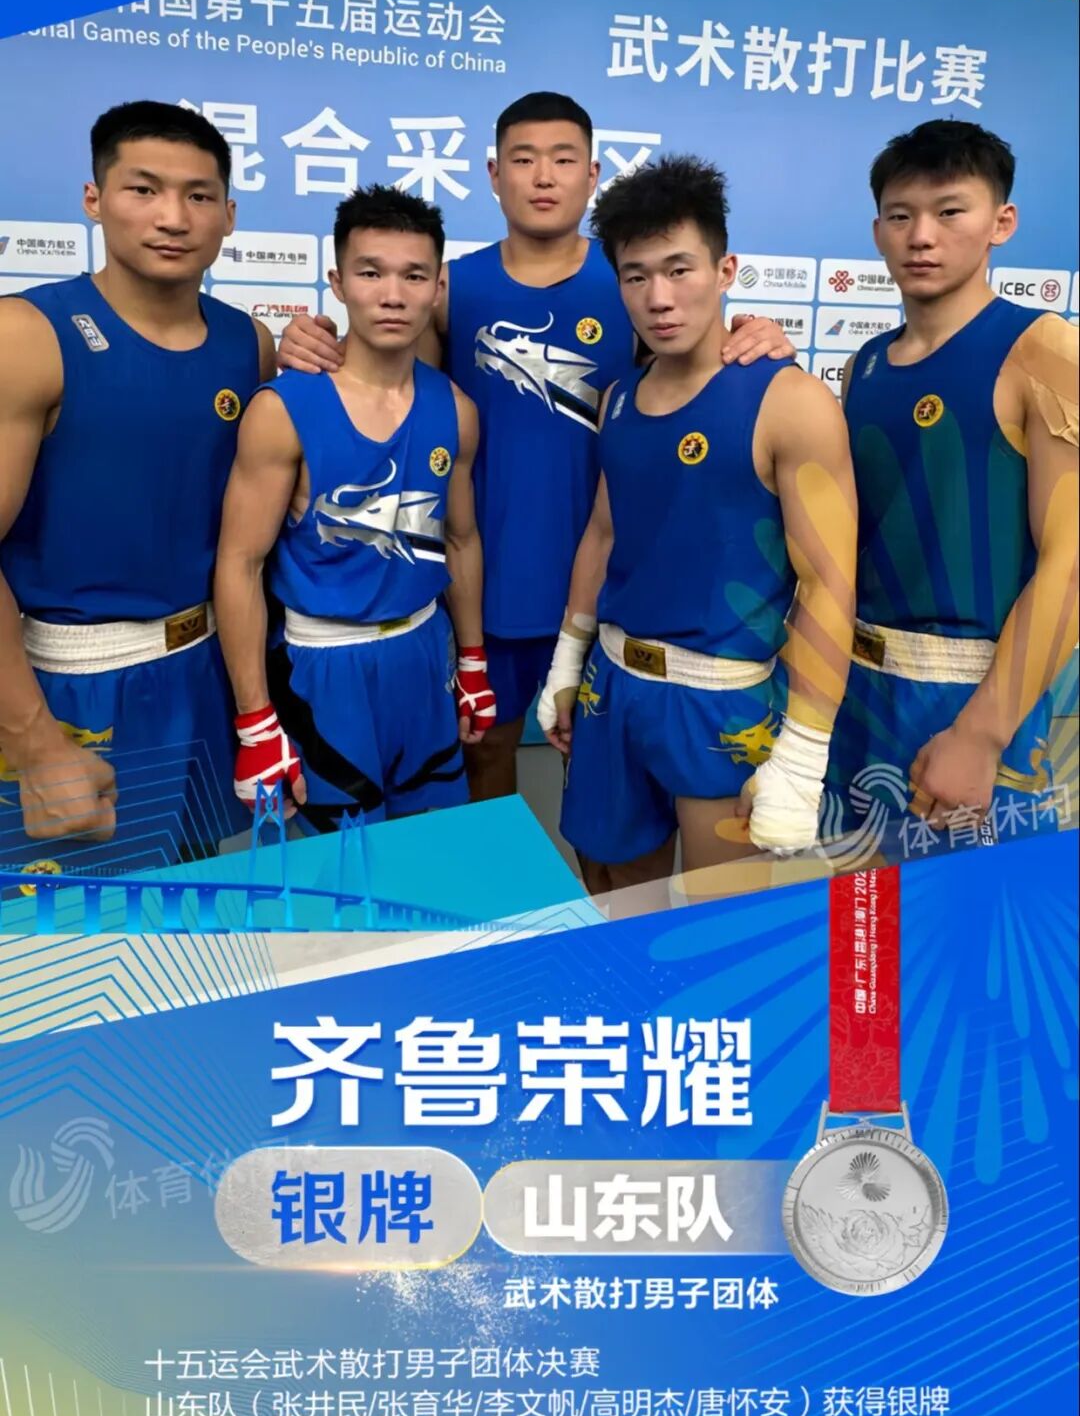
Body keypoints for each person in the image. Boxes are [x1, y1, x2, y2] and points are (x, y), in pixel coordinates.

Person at [277, 92, 793, 802]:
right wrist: (311, 342)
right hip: (485, 582)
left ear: (593, 174)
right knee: (483, 757)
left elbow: (699, 373)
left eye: (563, 159)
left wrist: (757, 335)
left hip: (611, 583)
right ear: (494, 174)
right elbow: (387, 384)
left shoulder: (633, 282)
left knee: (602, 769)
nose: (544, 176)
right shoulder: (450, 286)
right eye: (523, 160)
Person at [537, 155, 857, 894]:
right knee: (614, 902)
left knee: (718, 927)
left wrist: (803, 754)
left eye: (679, 269)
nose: (659, 297)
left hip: (723, 697)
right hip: (612, 685)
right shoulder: (618, 399)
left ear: (725, 270)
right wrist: (566, 661)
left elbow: (830, 584)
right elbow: (604, 534)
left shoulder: (790, 401)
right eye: (637, 276)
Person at [0, 100, 273, 880]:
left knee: (188, 912)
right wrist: (34, 743)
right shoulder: (27, 335)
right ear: (94, 199)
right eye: (143, 189)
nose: (173, 218)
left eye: (198, 195)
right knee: (71, 936)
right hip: (70, 691)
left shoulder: (248, 342)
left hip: (204, 674)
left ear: (228, 215)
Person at [828, 119, 1078, 842]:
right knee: (860, 906)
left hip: (977, 696)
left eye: (949, 212)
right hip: (856, 688)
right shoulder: (864, 365)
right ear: (877, 231)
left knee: (968, 909)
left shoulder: (1044, 349)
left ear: (1002, 222)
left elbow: (1070, 563)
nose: (921, 237)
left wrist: (981, 734)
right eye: (900, 216)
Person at [214, 185, 493, 831]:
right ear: (338, 282)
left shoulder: (456, 409)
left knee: (430, 851)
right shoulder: (284, 408)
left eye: (413, 275)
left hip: (423, 655)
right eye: (371, 273)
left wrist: (473, 662)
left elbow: (460, 540)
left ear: (437, 287)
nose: (392, 295)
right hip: (322, 669)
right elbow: (238, 563)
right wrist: (255, 719)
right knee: (334, 872)